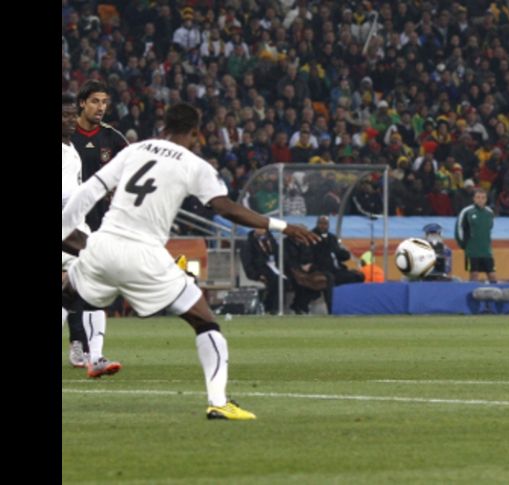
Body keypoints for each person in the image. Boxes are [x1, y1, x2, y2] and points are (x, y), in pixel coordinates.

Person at [61, 103, 319, 420]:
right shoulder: (194, 164)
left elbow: (89, 191)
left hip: (103, 246)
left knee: (68, 295)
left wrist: (63, 230)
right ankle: (218, 402)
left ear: (164, 125)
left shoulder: (136, 149)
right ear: (195, 133)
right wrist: (282, 226)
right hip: (144, 256)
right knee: (205, 321)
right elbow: (226, 208)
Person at [62, 93, 120, 376]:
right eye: (65, 116)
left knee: (80, 291)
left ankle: (94, 357)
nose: (70, 120)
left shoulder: (70, 148)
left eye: (72, 115)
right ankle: (92, 354)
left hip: (74, 228)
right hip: (66, 232)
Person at [71, 80, 129, 232]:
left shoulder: (112, 137)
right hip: (71, 215)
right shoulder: (67, 134)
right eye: (95, 101)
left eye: (104, 102)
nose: (101, 108)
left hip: (102, 218)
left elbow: (133, 168)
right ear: (82, 103)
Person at [310, 215, 365, 311]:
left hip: (336, 270)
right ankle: (332, 309)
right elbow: (310, 256)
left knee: (358, 276)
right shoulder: (311, 237)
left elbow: (340, 254)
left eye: (325, 224)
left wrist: (344, 254)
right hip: (320, 270)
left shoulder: (332, 238)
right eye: (321, 223)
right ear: (317, 224)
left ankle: (355, 306)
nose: (323, 226)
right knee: (329, 279)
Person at [455, 188, 497, 282]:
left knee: (492, 275)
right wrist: (464, 245)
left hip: (486, 251)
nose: (480, 200)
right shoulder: (467, 212)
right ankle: (473, 294)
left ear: (486, 200)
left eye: (483, 198)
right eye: (478, 197)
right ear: (473, 199)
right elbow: (459, 229)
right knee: (474, 274)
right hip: (472, 251)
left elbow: (489, 229)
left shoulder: (489, 212)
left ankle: (495, 295)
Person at [239, 228, 280, 314]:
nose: (262, 231)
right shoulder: (248, 244)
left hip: (274, 269)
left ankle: (277, 307)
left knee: (286, 281)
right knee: (275, 281)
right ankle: (271, 308)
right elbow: (247, 263)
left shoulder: (271, 241)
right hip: (259, 271)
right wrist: (257, 275)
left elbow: (277, 254)